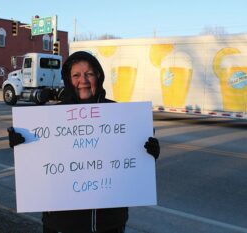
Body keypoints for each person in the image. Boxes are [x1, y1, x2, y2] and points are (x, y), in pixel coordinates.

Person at [9, 51, 160, 233]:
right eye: (76, 75)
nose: (83, 80)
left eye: (89, 74)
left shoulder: (119, 114)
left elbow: (131, 162)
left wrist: (148, 154)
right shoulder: (50, 118)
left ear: (98, 76)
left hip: (109, 222)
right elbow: (39, 165)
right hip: (62, 223)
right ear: (67, 79)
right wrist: (22, 145)